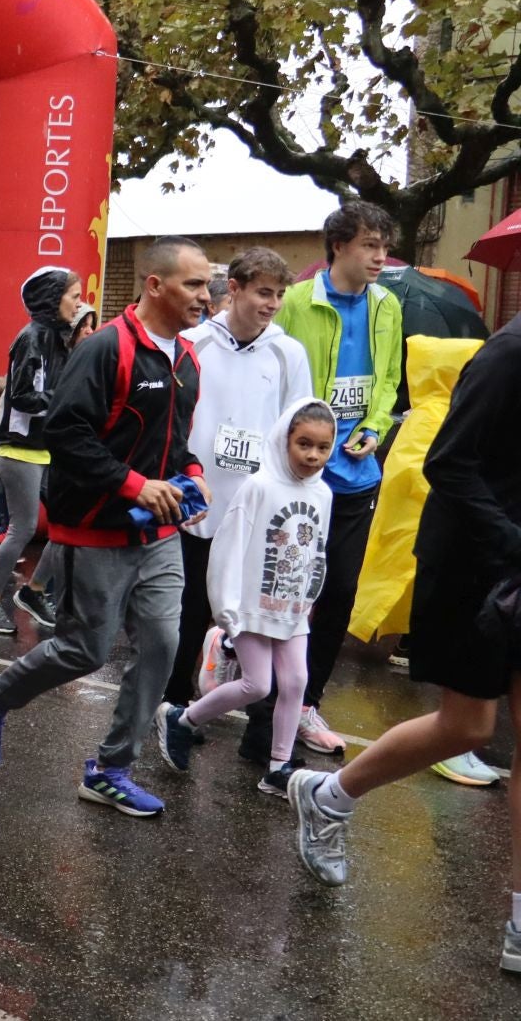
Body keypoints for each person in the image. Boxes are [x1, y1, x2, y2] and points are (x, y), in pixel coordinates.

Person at [289, 315, 521, 979]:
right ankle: (330, 796)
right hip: (475, 574)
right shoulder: (509, 356)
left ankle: (520, 926)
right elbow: (450, 463)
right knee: (466, 724)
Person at [0, 236, 212, 818]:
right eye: (194, 284)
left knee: (164, 646)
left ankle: (109, 769)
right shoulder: (105, 349)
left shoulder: (185, 359)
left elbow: (172, 442)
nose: (206, 294)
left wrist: (190, 475)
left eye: (207, 284)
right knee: (86, 651)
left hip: (157, 535)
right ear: (155, 285)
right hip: (94, 531)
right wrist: (134, 485)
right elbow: (66, 436)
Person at [250, 202, 404, 761]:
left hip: (357, 476)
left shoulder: (388, 305)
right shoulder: (294, 302)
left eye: (384, 245)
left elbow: (388, 380)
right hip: (296, 478)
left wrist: (373, 425)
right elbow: (269, 376)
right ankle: (249, 679)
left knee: (338, 591)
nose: (380, 257)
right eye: (369, 244)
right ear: (338, 246)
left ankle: (308, 702)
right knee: (282, 590)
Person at [155, 400, 335, 796]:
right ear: (284, 440)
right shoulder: (259, 487)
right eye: (304, 444)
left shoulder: (323, 493)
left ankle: (278, 767)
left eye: (323, 447)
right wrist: (225, 607)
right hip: (252, 608)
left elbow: (316, 549)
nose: (312, 455)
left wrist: (310, 595)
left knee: (296, 683)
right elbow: (229, 546)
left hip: (293, 609)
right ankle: (182, 720)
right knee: (257, 685)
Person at [161, 248, 312, 712]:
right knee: (185, 610)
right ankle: (172, 702)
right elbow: (171, 418)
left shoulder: (288, 352)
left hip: (254, 507)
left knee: (248, 612)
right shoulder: (194, 342)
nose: (272, 303)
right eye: (264, 292)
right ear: (237, 289)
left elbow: (297, 427)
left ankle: (238, 688)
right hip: (196, 500)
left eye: (279, 295)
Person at [347, 337, 501, 785]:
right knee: (463, 668)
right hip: (448, 552)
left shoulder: (432, 414)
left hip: (435, 547)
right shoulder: (440, 416)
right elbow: (437, 476)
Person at [0, 268, 81, 635]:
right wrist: (64, 401)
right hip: (20, 449)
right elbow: (20, 396)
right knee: (23, 528)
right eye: (73, 295)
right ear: (52, 298)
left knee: (67, 523)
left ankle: (34, 592)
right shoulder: (32, 337)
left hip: (46, 448)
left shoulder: (57, 337)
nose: (79, 302)